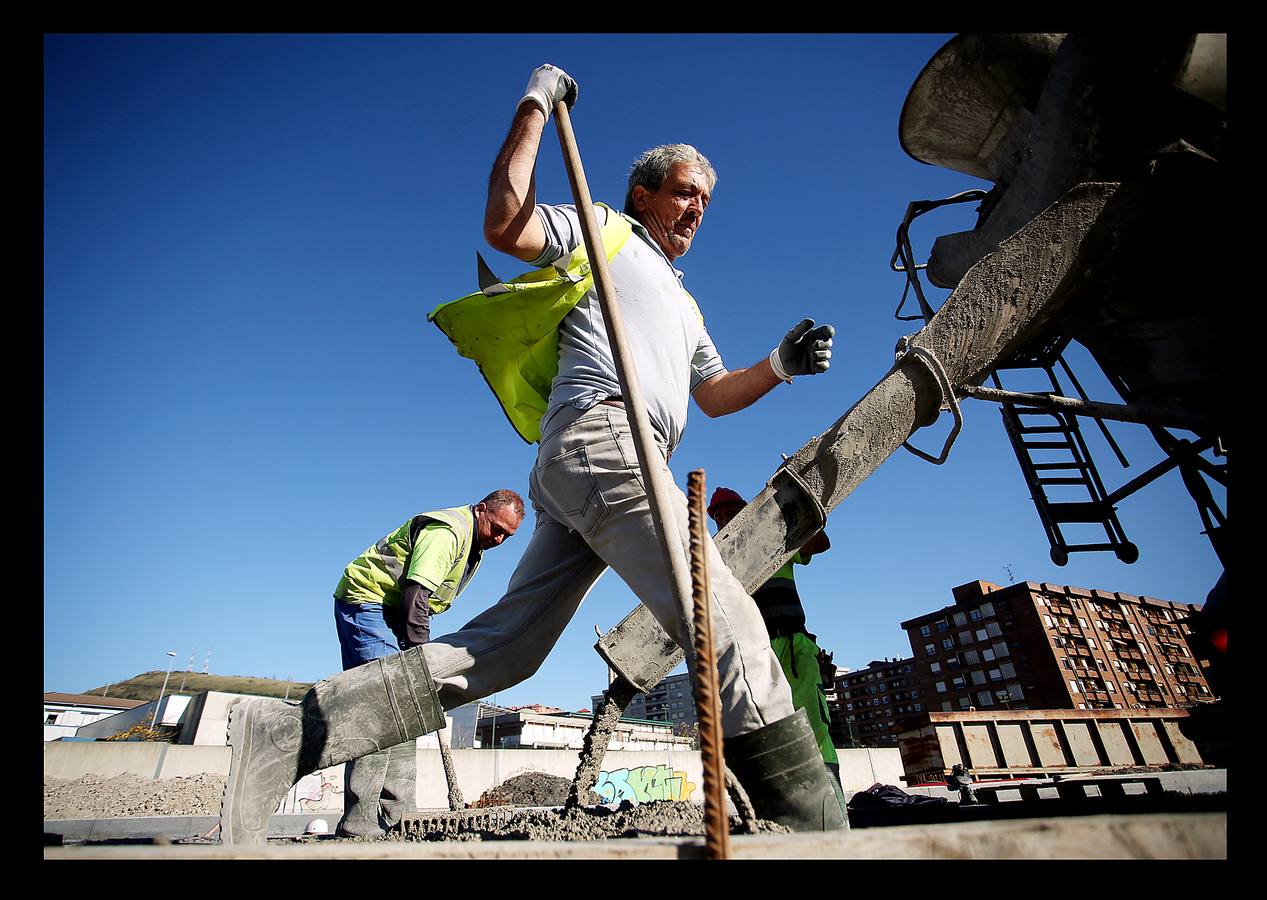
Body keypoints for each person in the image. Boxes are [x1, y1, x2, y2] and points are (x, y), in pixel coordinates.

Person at [219, 63, 843, 844]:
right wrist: (535, 105)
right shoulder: (604, 228)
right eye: (684, 191)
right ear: (643, 193)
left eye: (706, 201)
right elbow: (505, 225)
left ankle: (285, 734)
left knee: (505, 651)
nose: (696, 208)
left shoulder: (683, 300)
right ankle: (810, 826)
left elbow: (713, 395)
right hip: (606, 441)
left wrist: (779, 365)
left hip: (593, 464)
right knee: (728, 625)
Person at [331, 491, 524, 837]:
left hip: (394, 611)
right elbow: (416, 596)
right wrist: (422, 657)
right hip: (369, 602)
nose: (498, 540)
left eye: (506, 537)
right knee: (383, 705)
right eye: (496, 529)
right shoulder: (449, 532)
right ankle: (358, 822)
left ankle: (397, 816)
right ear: (481, 510)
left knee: (406, 710)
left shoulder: (474, 543)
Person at [707, 487, 842, 788]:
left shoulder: (771, 542)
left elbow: (820, 543)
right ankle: (792, 792)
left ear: (745, 511)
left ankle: (829, 790)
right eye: (719, 517)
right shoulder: (722, 561)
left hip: (796, 645)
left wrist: (797, 511)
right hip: (757, 651)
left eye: (730, 512)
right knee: (769, 723)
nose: (725, 519)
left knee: (814, 722)